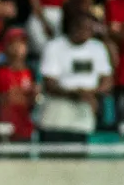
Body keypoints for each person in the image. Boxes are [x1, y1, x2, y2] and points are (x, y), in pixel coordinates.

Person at [37, 12, 113, 145]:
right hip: (57, 113)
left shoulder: (98, 48)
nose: (86, 32)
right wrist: (77, 93)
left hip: (83, 112)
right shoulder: (55, 47)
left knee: (79, 158)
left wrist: (92, 93)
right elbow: (49, 83)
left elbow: (107, 80)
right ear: (72, 27)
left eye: (90, 28)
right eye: (82, 27)